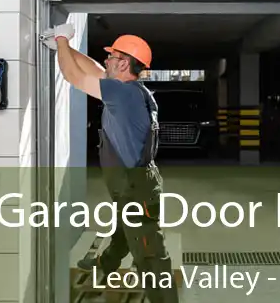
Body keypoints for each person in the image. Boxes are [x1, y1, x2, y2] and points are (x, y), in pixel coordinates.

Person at [43, 24, 179, 303]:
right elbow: (92, 68)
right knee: (121, 230)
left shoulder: (122, 94)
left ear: (124, 63)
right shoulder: (128, 90)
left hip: (135, 190)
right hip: (133, 186)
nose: (106, 60)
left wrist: (61, 39)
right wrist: (63, 47)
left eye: (112, 56)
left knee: (152, 258)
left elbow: (72, 75)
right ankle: (105, 266)